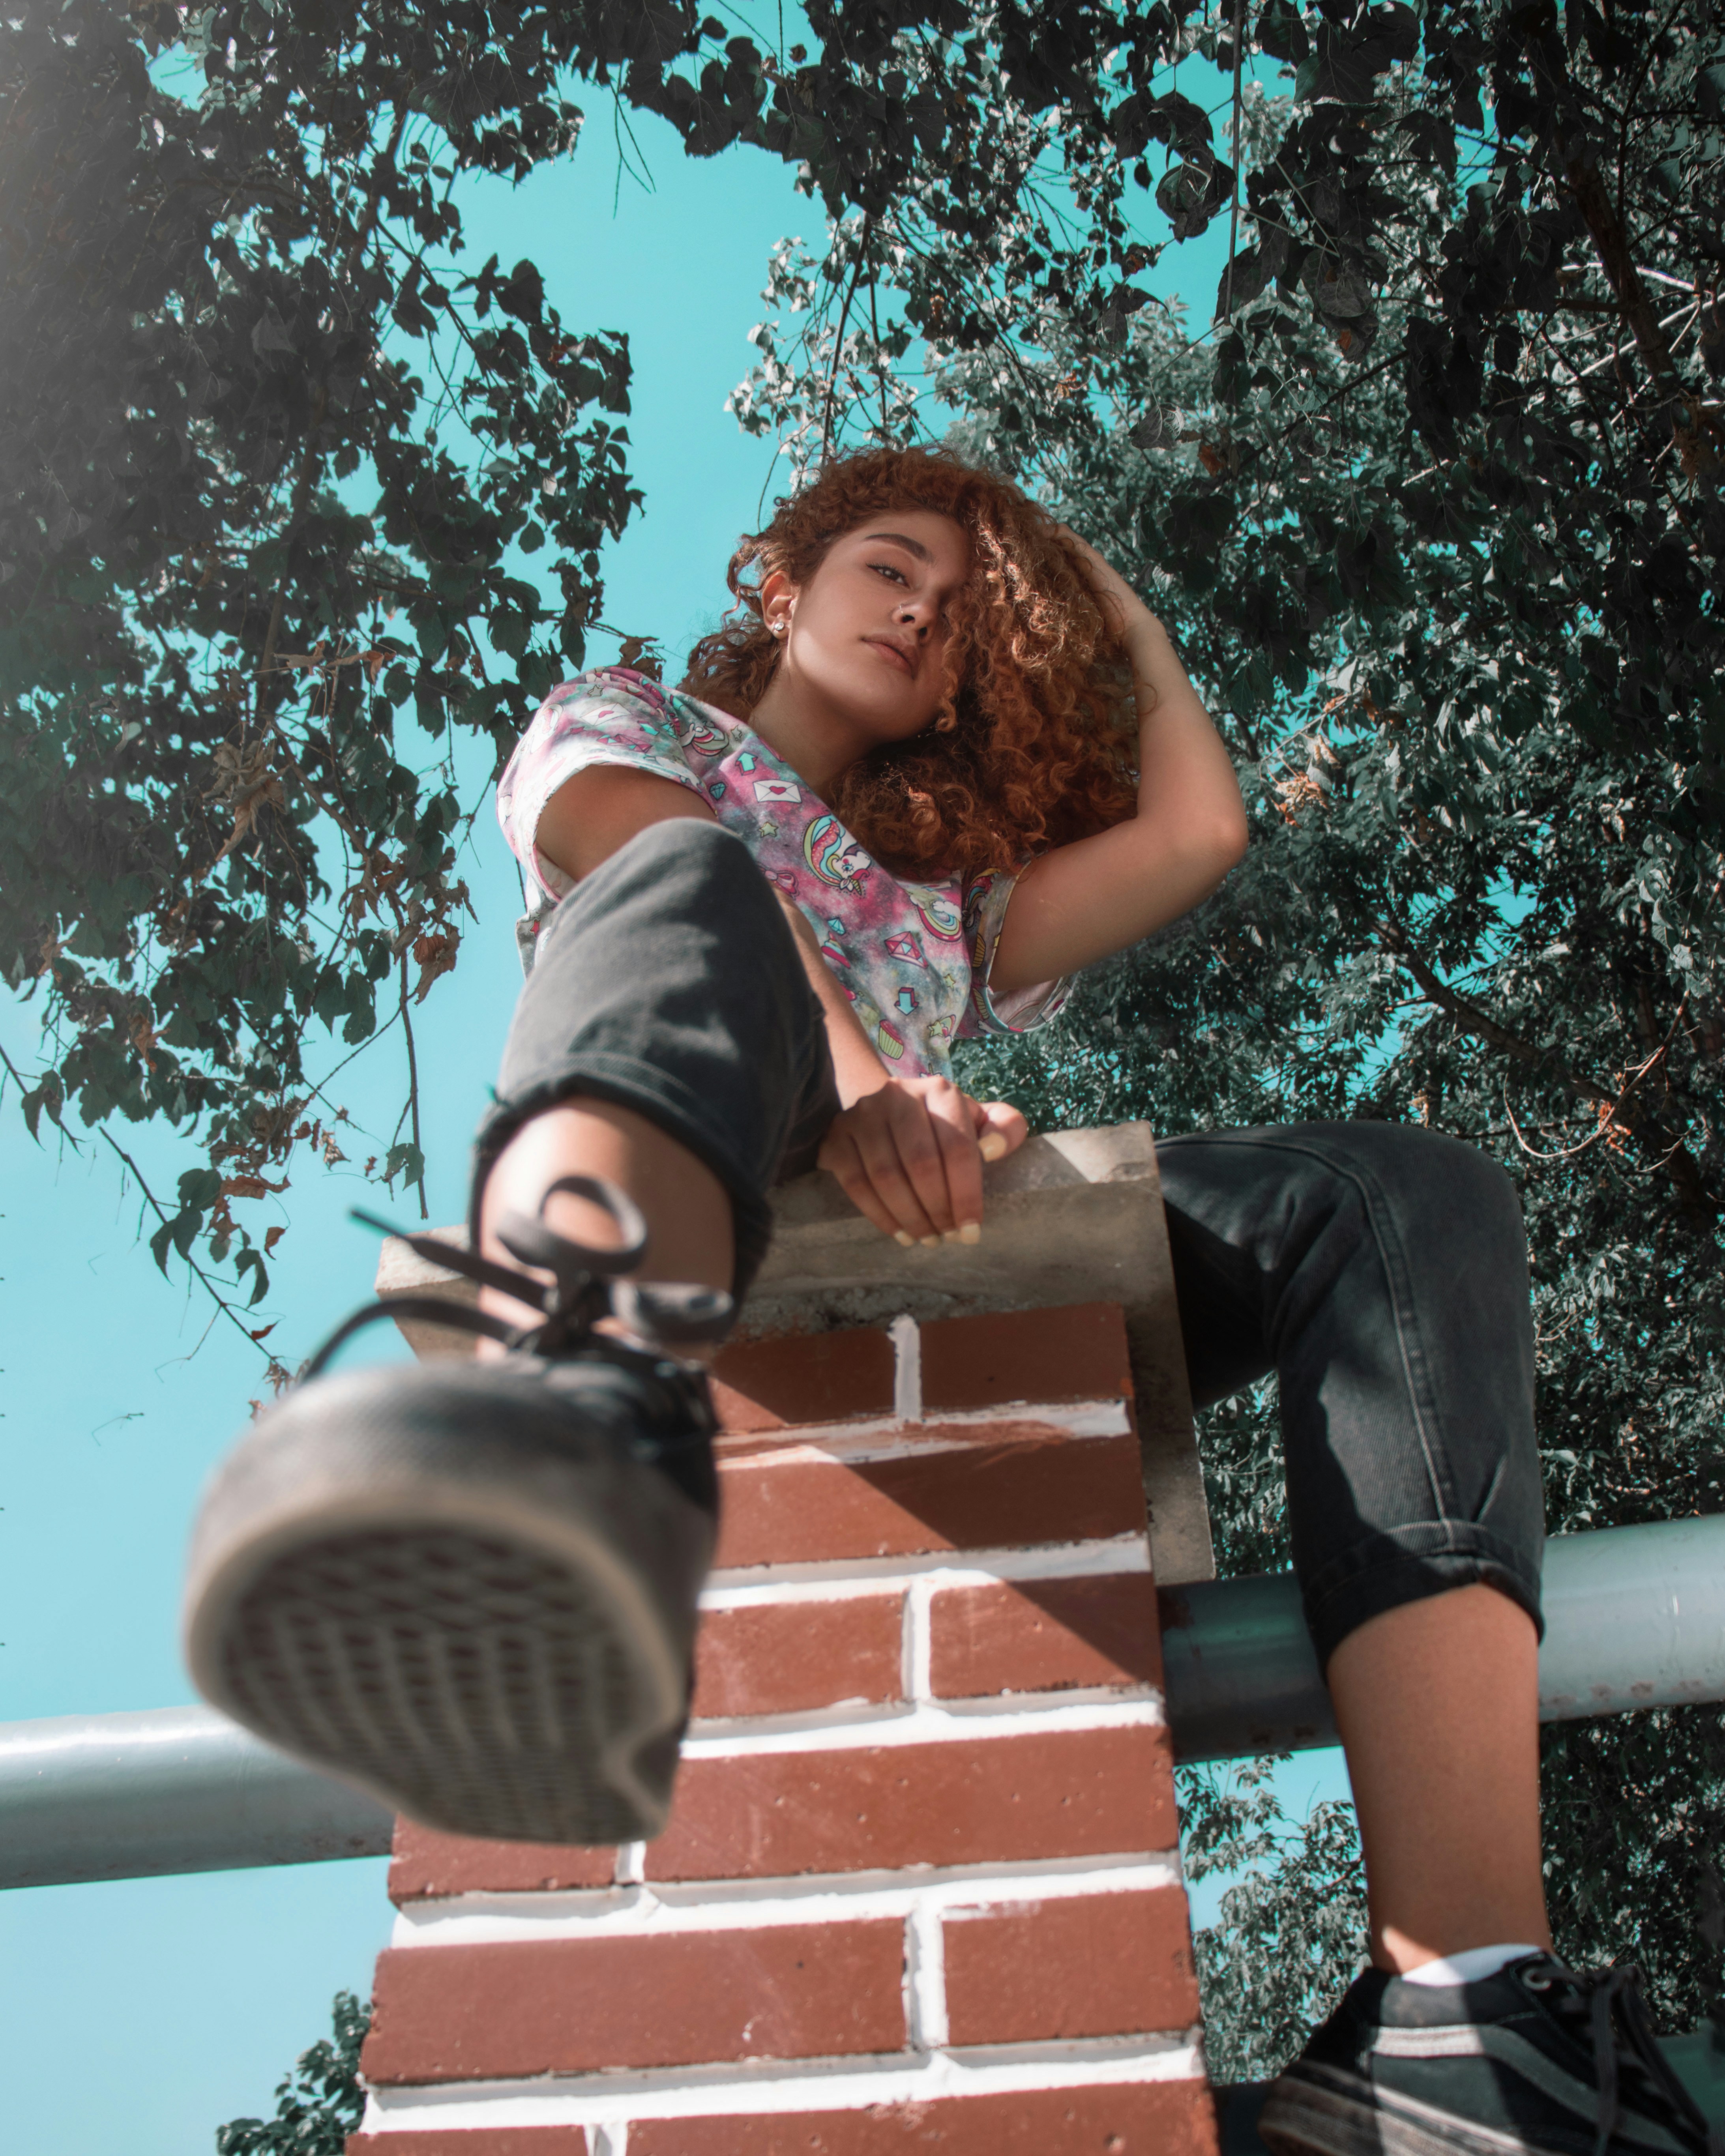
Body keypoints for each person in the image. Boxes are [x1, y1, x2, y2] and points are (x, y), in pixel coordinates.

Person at [183, 447, 1709, 2156]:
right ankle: (559, 1416)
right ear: (778, 579)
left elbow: (1201, 826)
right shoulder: (631, 720)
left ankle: (1462, 2005)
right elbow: (696, 885)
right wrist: (867, 1091)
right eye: (891, 566)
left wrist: (1108, 608)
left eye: (963, 614)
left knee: (1393, 1197)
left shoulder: (945, 900)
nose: (923, 612)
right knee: (695, 896)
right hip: (697, 1149)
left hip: (921, 1217)